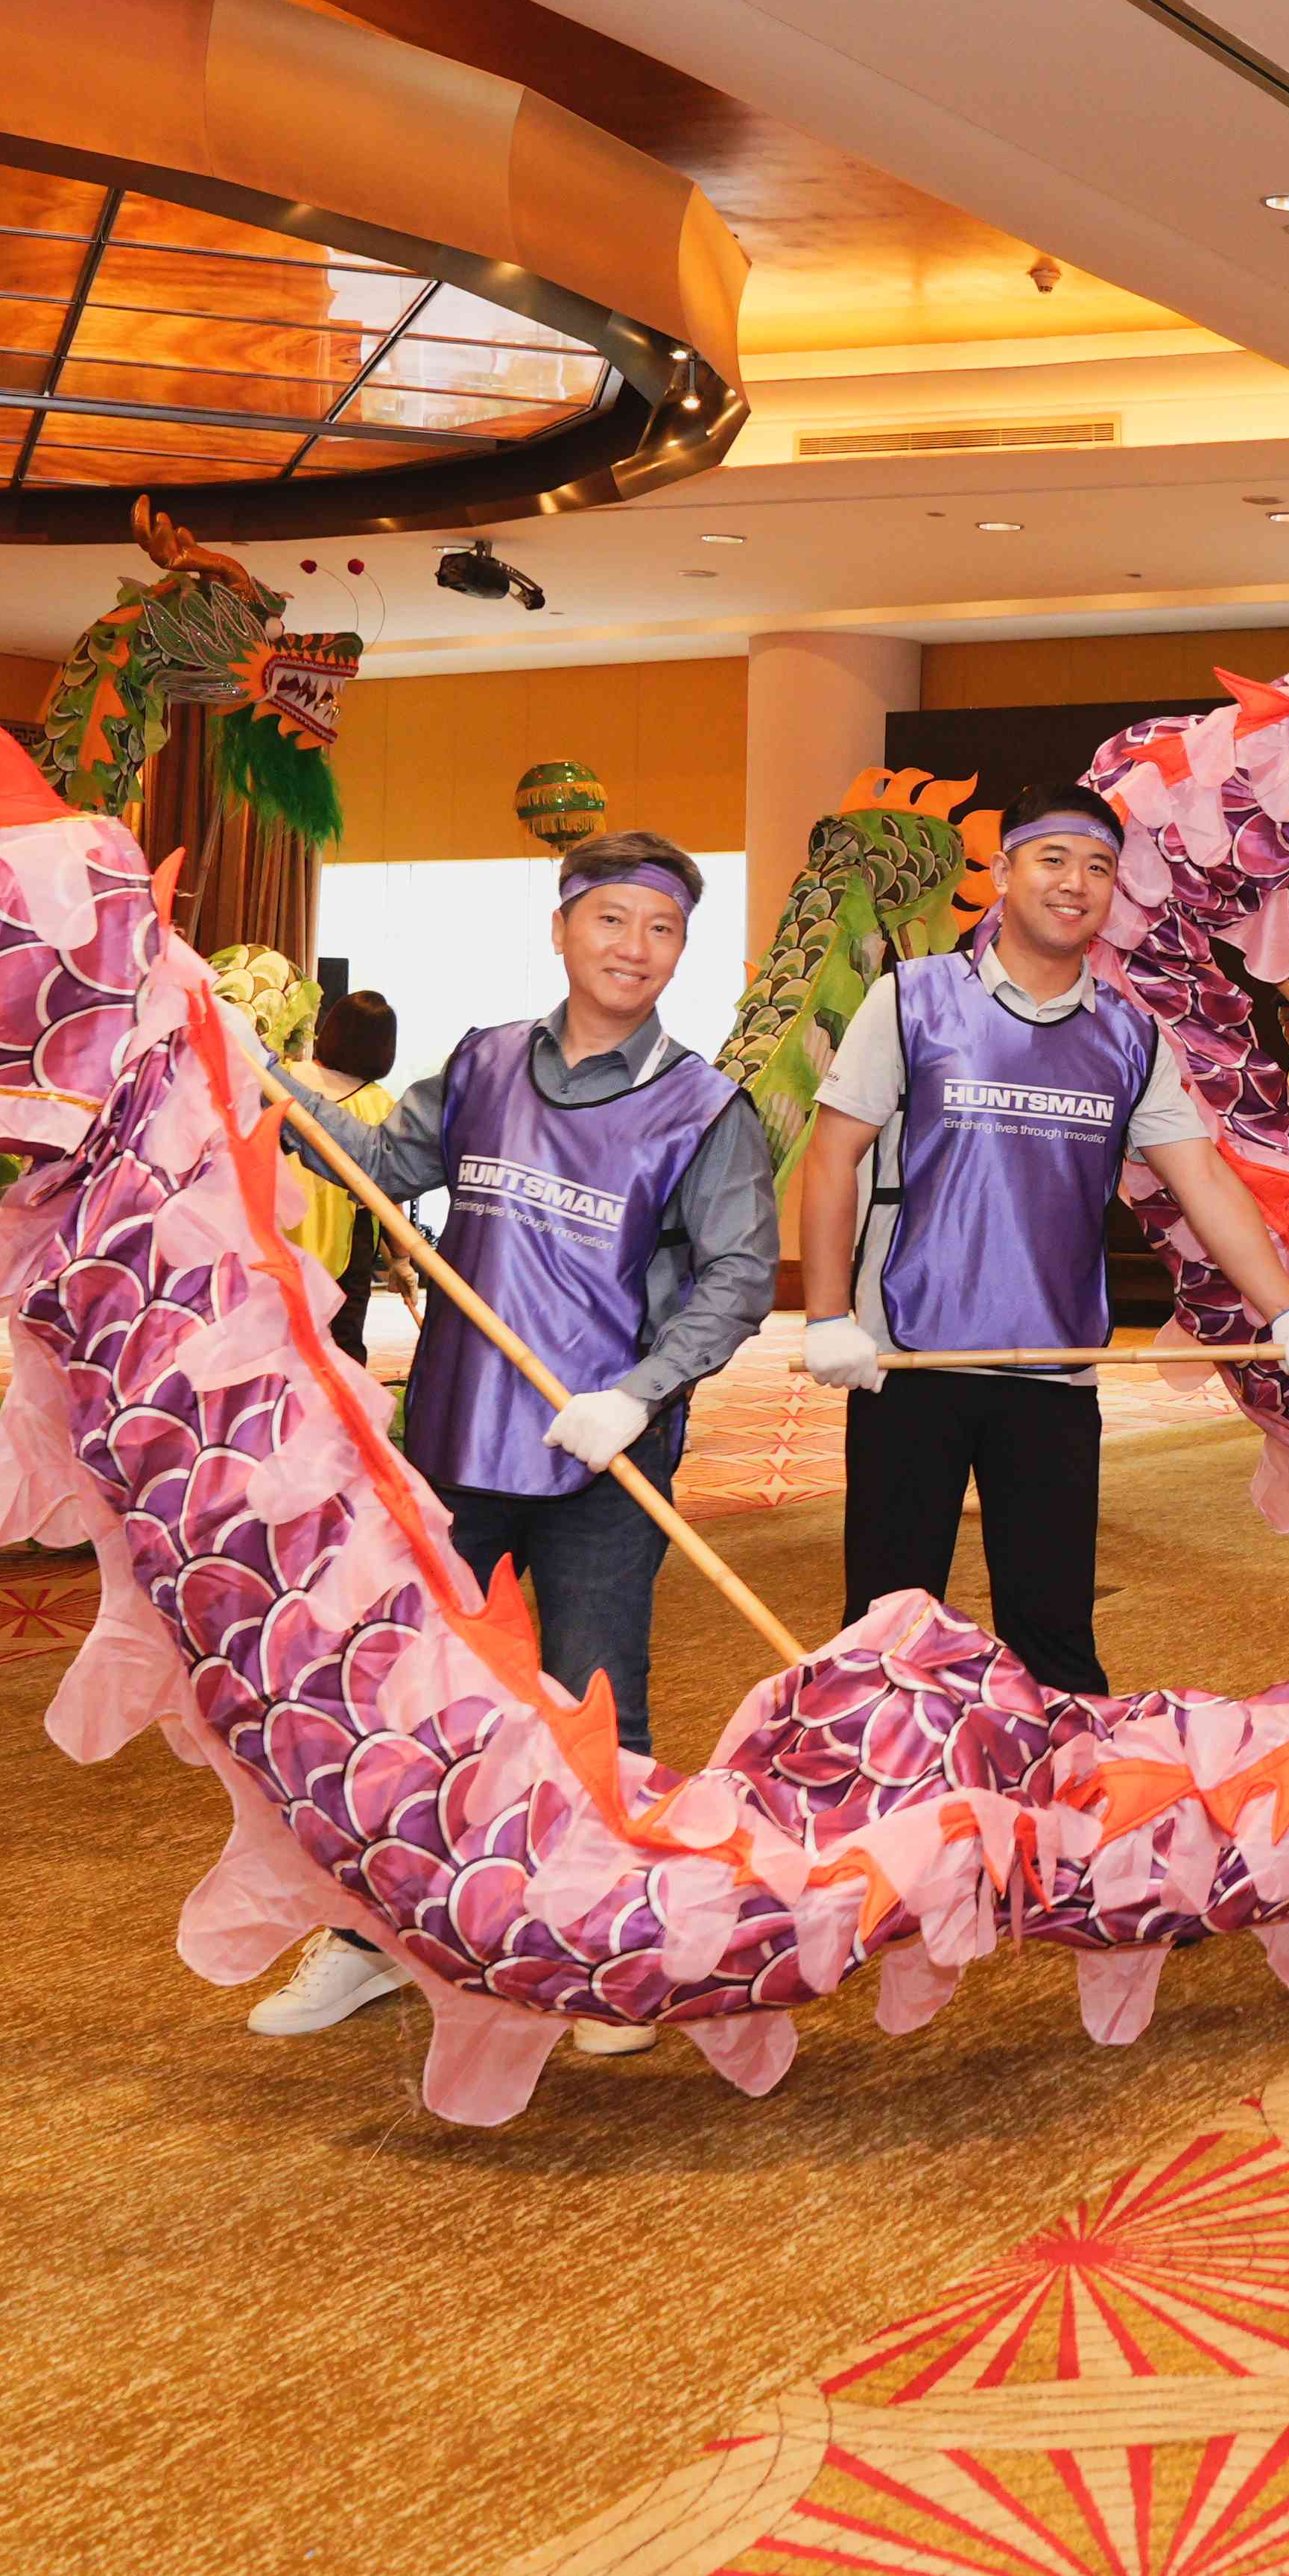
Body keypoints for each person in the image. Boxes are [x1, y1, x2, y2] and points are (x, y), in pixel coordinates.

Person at [259, 833, 781, 2059]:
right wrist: (268, 1087)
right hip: (454, 1440)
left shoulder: (704, 1107)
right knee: (416, 1699)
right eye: (611, 920)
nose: (634, 948)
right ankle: (375, 1941)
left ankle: (606, 1946)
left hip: (605, 1459)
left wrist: (637, 1396)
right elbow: (381, 1167)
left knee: (596, 1701)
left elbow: (737, 1277)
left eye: (661, 929)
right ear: (561, 929)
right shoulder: (485, 1062)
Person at [798, 794, 1289, 1694]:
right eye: (1053, 858)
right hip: (909, 1360)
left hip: (1052, 1371)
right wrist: (827, 1316)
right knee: (885, 1631)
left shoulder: (1128, 1036)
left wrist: (1287, 1311)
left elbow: (1203, 1180)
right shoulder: (913, 999)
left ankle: (1064, 1786)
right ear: (1004, 872)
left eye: (1098, 867)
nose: (1076, 883)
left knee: (1054, 1636)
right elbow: (832, 1156)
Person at [297, 987, 405, 1368]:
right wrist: (402, 1258)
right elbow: (390, 1189)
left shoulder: (285, 1079)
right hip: (346, 1244)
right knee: (342, 1346)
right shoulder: (376, 1104)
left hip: (275, 1236)